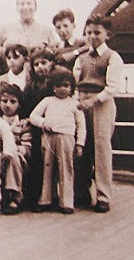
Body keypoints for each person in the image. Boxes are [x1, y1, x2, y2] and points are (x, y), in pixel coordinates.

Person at [73, 14, 124, 213]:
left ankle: (103, 196)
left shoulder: (112, 57)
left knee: (101, 149)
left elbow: (113, 87)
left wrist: (93, 101)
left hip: (101, 103)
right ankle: (81, 192)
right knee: (81, 147)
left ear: (107, 34)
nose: (93, 37)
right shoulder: (81, 58)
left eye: (97, 32)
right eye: (89, 33)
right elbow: (75, 80)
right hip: (82, 103)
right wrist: (78, 100)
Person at [30, 67, 86, 214]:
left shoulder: (75, 103)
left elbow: (81, 126)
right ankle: (46, 199)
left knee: (66, 169)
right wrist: (43, 123)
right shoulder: (47, 101)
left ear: (71, 87)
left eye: (66, 85)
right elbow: (33, 116)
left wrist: (80, 144)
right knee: (48, 168)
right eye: (58, 85)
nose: (62, 89)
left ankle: (66, 202)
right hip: (49, 138)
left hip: (66, 139)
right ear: (52, 87)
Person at [21, 48, 56, 208]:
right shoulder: (31, 87)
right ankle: (32, 197)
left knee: (51, 162)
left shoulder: (55, 85)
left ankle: (50, 196)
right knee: (36, 161)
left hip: (51, 128)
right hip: (35, 129)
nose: (40, 67)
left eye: (44, 62)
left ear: (51, 63)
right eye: (37, 64)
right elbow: (25, 107)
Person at [0, 84, 32, 214]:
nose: (8, 105)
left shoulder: (23, 125)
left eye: (13, 102)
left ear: (19, 105)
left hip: (18, 161)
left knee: (13, 157)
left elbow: (28, 148)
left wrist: (13, 149)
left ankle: (15, 196)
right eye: (4, 101)